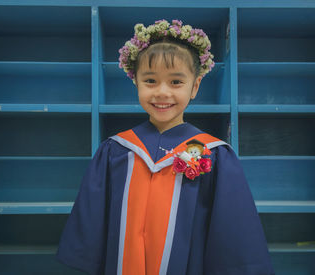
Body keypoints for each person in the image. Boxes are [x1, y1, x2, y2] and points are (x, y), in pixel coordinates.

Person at [56, 19, 275, 275]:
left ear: (195, 87)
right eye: (150, 80)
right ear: (135, 82)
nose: (162, 92)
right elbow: (91, 220)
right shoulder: (116, 150)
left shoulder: (212, 153)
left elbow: (232, 228)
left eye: (175, 82)